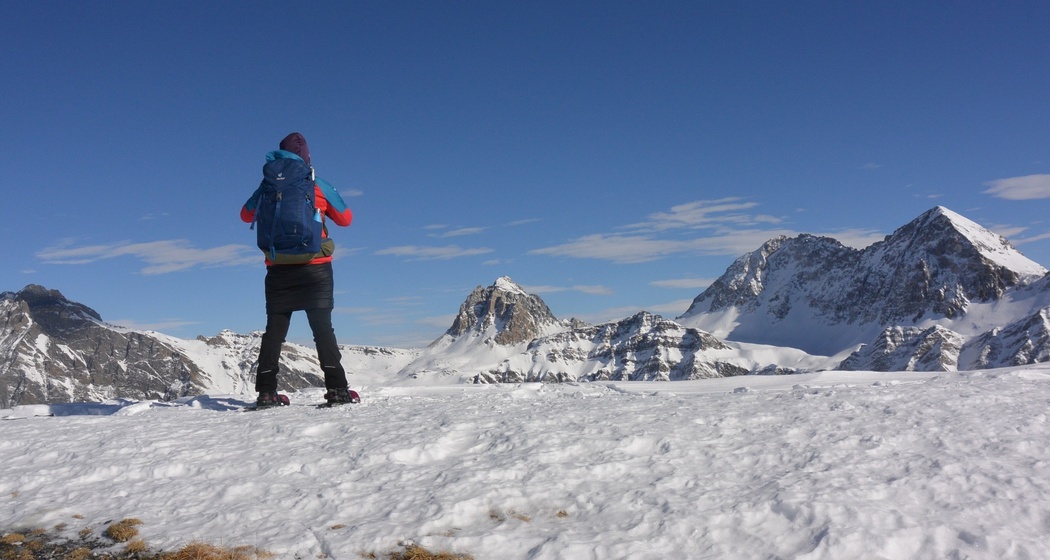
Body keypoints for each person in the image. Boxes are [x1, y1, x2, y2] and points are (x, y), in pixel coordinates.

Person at [240, 132, 355, 408]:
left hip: (278, 269)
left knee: (275, 331)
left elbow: (245, 215)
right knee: (322, 329)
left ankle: (266, 393)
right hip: (315, 267)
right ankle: (337, 390)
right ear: (307, 158)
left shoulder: (266, 186)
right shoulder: (316, 184)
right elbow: (346, 219)